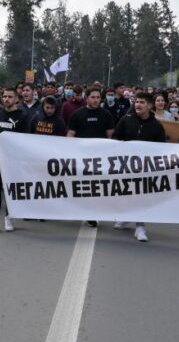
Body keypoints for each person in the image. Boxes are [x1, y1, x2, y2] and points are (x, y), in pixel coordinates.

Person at [111, 93, 166, 241]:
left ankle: (140, 227)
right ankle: (126, 216)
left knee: (141, 196)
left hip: (145, 168)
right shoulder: (126, 120)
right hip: (126, 165)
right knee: (127, 194)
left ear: (149, 105)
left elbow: (161, 149)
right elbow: (115, 138)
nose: (138, 105)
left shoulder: (156, 126)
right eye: (136, 102)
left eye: (142, 102)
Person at [0, 87, 28, 234]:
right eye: (5, 96)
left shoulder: (23, 116)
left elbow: (26, 139)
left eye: (10, 96)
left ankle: (9, 217)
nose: (6, 99)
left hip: (14, 160)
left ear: (16, 99)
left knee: (11, 190)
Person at [67, 87, 115, 228]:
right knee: (83, 186)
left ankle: (92, 212)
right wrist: (67, 151)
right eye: (92, 97)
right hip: (81, 157)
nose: (95, 100)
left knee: (97, 186)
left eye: (98, 97)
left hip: (100, 158)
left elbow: (110, 136)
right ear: (86, 98)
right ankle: (86, 212)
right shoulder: (77, 114)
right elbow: (71, 134)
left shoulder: (106, 114)